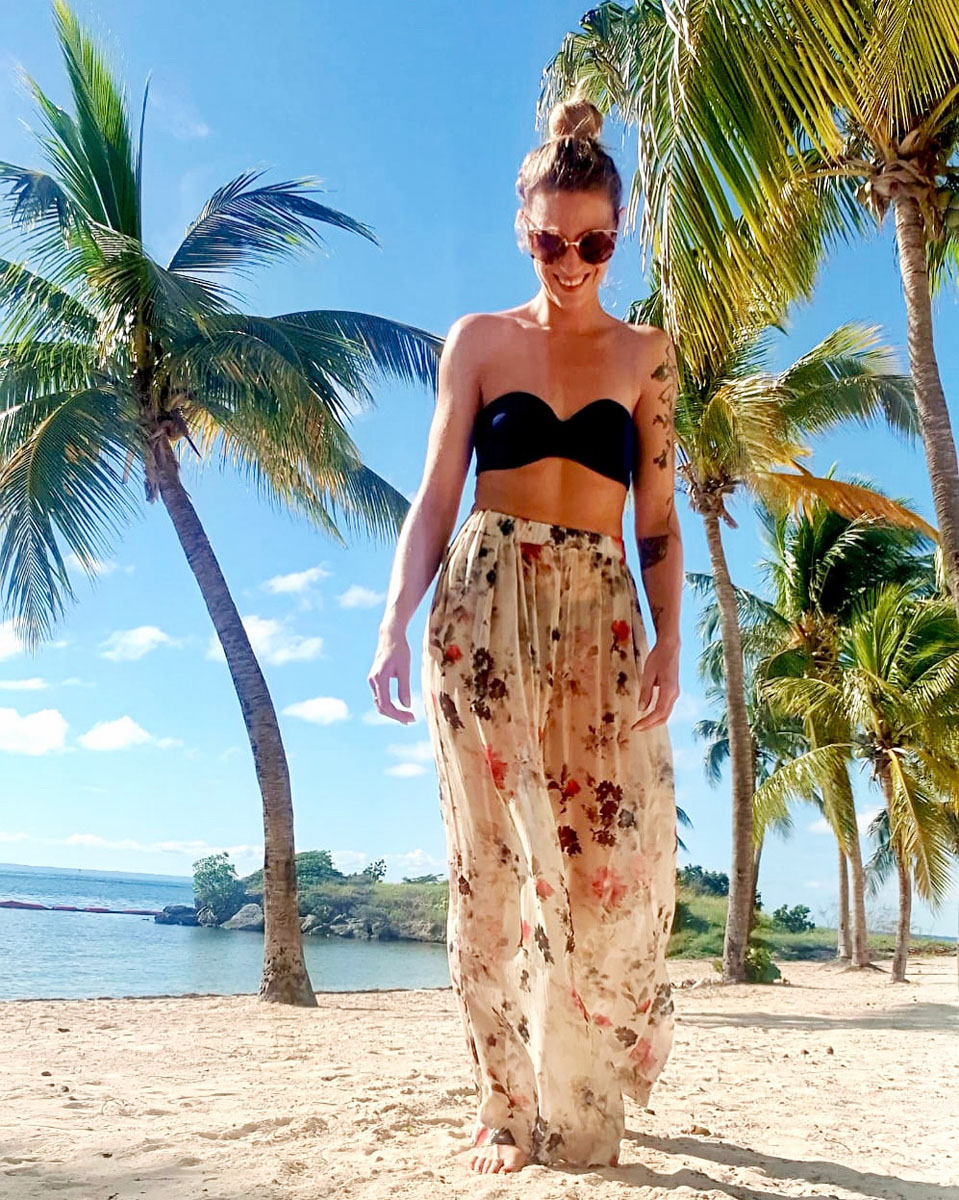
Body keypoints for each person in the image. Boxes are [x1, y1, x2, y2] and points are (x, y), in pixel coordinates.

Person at [368, 94, 682, 1175]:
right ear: (522, 230)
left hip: (600, 617)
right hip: (482, 613)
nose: (571, 262)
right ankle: (504, 1107)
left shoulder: (646, 356)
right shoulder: (479, 341)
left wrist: (670, 641)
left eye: (593, 243)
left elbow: (655, 523)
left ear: (618, 233)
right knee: (490, 867)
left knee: (612, 864)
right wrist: (392, 624)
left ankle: (583, 1093)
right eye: (551, 241)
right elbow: (433, 499)